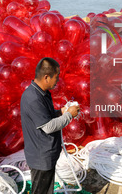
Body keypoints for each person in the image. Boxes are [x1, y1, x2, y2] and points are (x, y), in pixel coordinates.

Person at [20, 57, 80, 194]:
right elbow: (48, 126)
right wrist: (69, 115)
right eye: (56, 77)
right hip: (41, 157)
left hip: (46, 155)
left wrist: (60, 112)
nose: (58, 80)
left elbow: (44, 115)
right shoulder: (33, 98)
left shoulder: (42, 93)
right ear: (46, 77)